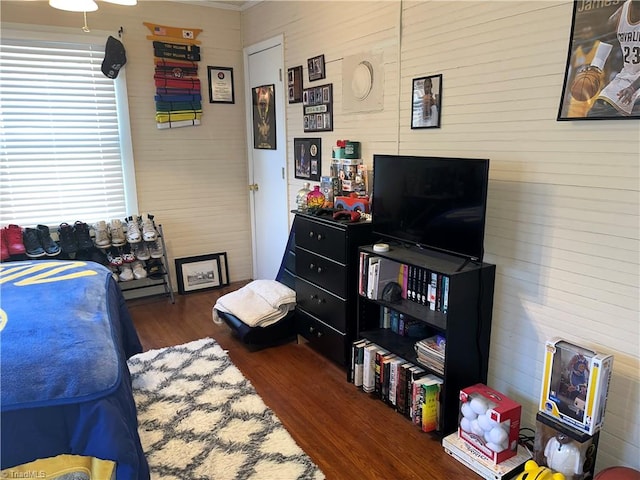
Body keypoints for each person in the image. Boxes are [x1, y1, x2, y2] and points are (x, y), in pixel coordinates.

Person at [586, 0, 640, 117]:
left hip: (635, 83)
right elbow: (606, 41)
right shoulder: (619, 15)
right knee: (596, 114)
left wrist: (632, 88)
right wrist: (595, 69)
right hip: (628, 77)